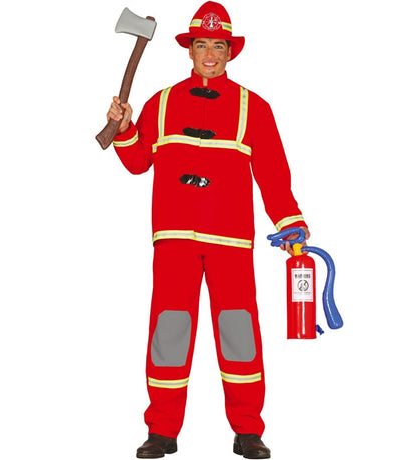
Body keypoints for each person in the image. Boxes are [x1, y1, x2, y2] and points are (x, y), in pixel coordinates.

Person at [106, 2, 309, 458]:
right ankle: (162, 430)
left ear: (230, 51)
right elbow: (138, 162)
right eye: (202, 45)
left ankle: (248, 430)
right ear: (190, 50)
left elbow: (274, 175)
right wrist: (123, 127)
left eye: (219, 46)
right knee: (169, 334)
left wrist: (290, 223)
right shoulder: (160, 102)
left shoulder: (254, 107)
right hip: (174, 240)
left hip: (231, 242)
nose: (211, 55)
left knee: (239, 334)